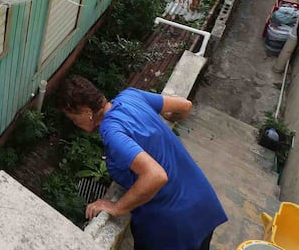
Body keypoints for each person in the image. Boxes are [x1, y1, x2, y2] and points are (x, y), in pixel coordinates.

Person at [57, 75, 227, 250]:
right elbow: (185, 106)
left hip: (173, 224)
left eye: (73, 119)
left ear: (86, 111)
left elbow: (156, 175)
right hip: (201, 202)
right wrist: (167, 119)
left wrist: (117, 207)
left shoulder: (112, 131)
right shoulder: (130, 96)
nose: (75, 123)